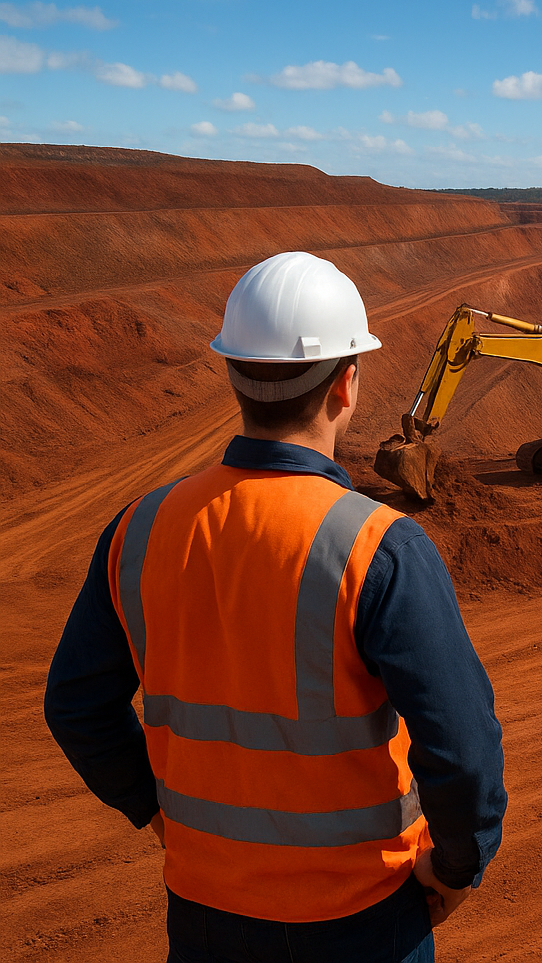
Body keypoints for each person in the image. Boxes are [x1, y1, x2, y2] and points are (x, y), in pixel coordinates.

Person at [44, 251, 506, 963]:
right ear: (346, 386)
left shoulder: (139, 528)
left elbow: (76, 704)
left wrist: (156, 811)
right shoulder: (378, 547)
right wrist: (454, 868)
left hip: (204, 920)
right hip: (361, 923)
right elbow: (462, 748)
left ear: (234, 375)